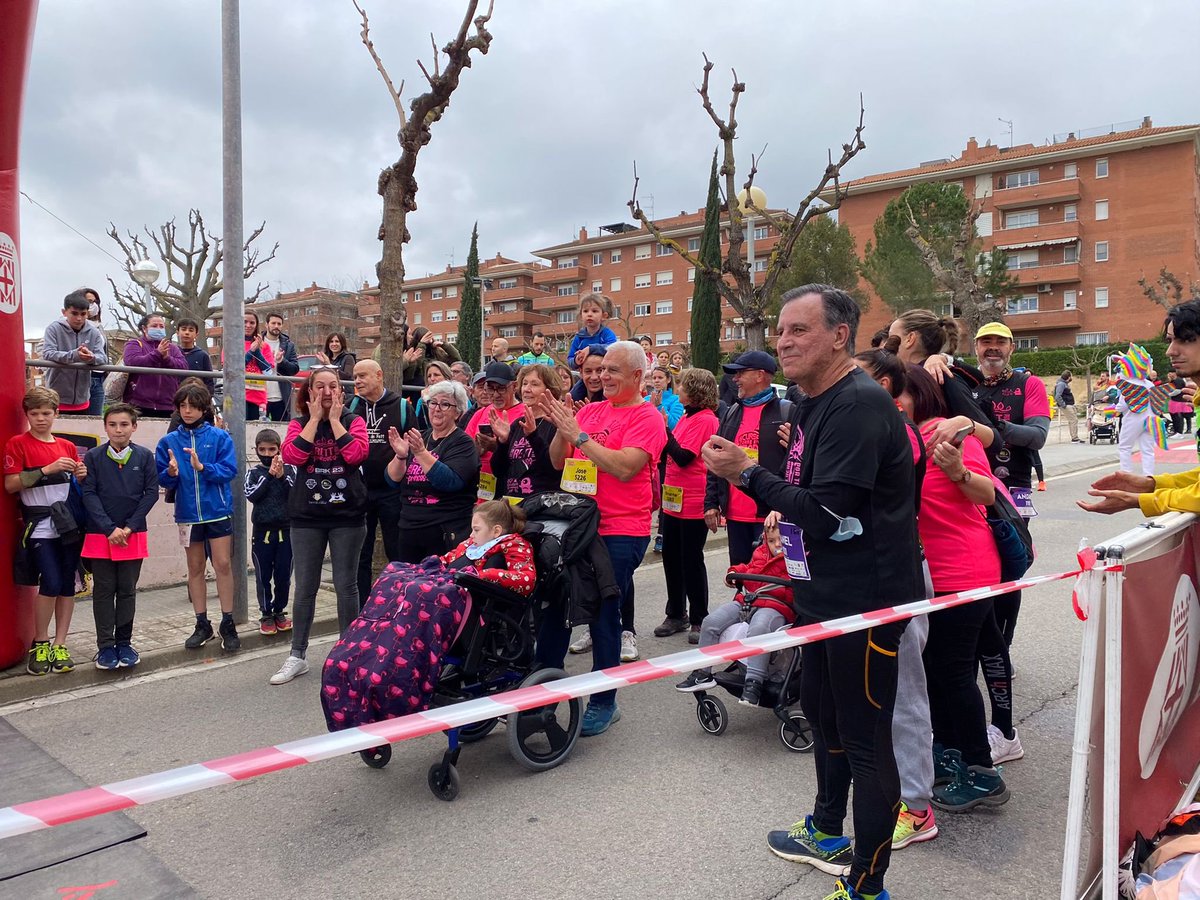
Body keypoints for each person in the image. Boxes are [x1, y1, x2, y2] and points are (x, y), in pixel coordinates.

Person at [703, 284, 922, 900]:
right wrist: (776, 505)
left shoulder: (856, 405)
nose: (782, 342)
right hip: (820, 593)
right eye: (780, 330)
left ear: (840, 336)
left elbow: (826, 512)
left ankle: (867, 884)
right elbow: (813, 500)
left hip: (868, 604)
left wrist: (747, 474)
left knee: (865, 738)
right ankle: (827, 829)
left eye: (799, 330)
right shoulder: (808, 402)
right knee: (822, 713)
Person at [538, 340, 668, 736]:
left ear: (635, 376)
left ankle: (603, 701)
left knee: (602, 614)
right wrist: (564, 429)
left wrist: (579, 436)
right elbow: (559, 462)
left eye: (612, 370)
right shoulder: (591, 410)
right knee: (556, 605)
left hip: (620, 530)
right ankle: (539, 694)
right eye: (598, 370)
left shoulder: (648, 417)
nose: (601, 377)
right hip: (577, 525)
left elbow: (625, 468)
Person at [900, 364, 1011, 814]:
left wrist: (959, 470)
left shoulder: (947, 433)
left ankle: (983, 773)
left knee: (954, 672)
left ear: (919, 396)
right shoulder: (904, 440)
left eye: (900, 395)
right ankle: (948, 755)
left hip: (965, 572)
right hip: (928, 576)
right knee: (933, 671)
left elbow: (988, 494)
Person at [321, 500, 535, 730]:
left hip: (469, 604)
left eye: (476, 530)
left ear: (496, 531)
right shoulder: (471, 545)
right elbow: (445, 561)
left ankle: (396, 657)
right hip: (450, 587)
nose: (471, 535)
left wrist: (483, 574)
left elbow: (526, 580)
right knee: (393, 576)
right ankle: (373, 641)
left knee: (417, 590)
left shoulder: (513, 544)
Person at [272, 368, 369, 686]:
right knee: (305, 589)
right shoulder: (299, 423)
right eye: (320, 386)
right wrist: (314, 421)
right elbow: (292, 456)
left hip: (347, 517)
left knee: (346, 586)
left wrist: (337, 420)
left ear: (341, 392)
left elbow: (356, 455)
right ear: (309, 392)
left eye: (334, 386)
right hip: (306, 518)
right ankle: (297, 655)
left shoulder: (354, 421)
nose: (327, 392)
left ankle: (348, 656)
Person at [969, 321, 1048, 651]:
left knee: (1009, 568)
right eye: (985, 341)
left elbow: (1038, 436)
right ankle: (974, 643)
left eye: (1000, 342)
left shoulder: (1027, 384)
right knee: (974, 566)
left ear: (1011, 348)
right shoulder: (965, 384)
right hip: (970, 486)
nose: (992, 347)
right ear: (975, 348)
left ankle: (1001, 648)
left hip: (1014, 489)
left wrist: (994, 426)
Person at [1082, 299, 1200, 518]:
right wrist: (1152, 484)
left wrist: (1139, 499)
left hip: (1134, 420)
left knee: (1127, 447)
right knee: (1145, 448)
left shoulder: (1130, 386)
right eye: (1170, 340)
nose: (1170, 351)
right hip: (1149, 419)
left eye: (1185, 340)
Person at [4, 387, 88, 675]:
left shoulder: (66, 445)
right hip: (38, 525)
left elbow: (74, 486)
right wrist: (46, 469)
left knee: (67, 585)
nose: (41, 418)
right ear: (27, 415)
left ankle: (60, 643)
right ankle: (40, 642)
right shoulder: (18, 443)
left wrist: (80, 475)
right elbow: (11, 484)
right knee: (50, 583)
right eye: (35, 413)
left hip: (68, 524)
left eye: (46, 413)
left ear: (56, 413)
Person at [156, 382, 241, 651]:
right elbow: (162, 480)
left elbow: (229, 471)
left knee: (223, 565)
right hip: (188, 515)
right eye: (183, 406)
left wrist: (202, 467)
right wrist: (169, 474)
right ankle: (201, 623)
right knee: (194, 569)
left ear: (204, 408)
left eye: (193, 406)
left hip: (217, 513)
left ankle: (228, 621)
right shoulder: (168, 442)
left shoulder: (220, 437)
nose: (187, 411)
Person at [80, 403, 159, 670]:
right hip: (100, 535)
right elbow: (88, 494)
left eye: (124, 424)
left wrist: (129, 527)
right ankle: (105, 647)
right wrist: (108, 529)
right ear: (105, 427)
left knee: (127, 590)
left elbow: (151, 493)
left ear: (134, 427)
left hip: (132, 534)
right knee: (103, 591)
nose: (118, 429)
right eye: (112, 424)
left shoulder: (145, 456)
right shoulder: (93, 457)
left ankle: (124, 643)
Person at [675, 519, 792, 697]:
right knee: (711, 622)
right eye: (771, 540)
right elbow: (750, 568)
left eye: (781, 541)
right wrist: (734, 572)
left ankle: (754, 682)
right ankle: (702, 672)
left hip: (775, 604)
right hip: (749, 599)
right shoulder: (761, 552)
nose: (776, 545)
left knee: (759, 628)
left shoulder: (795, 559)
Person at [703, 350, 792, 565]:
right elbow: (717, 459)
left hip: (771, 517)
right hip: (735, 515)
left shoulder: (787, 411)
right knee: (740, 579)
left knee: (770, 581)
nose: (735, 380)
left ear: (760, 375)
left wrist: (783, 507)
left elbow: (796, 467)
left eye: (740, 373)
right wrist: (711, 503)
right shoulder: (732, 411)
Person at [654, 367, 720, 644]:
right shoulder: (687, 417)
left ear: (695, 391)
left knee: (691, 559)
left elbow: (682, 456)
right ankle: (676, 613)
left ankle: (699, 617)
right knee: (671, 557)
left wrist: (663, 428)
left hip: (692, 500)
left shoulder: (705, 420)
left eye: (682, 386)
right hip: (672, 498)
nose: (677, 390)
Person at [385, 379, 480, 561]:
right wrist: (401, 456)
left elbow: (451, 481)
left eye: (445, 404)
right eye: (433, 403)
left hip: (444, 532)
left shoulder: (463, 443)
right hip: (409, 528)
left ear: (457, 412)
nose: (437, 409)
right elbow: (391, 480)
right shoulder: (422, 437)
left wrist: (420, 452)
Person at [349, 359, 416, 606]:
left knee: (396, 551)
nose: (357, 381)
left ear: (379, 375)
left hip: (391, 491)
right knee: (360, 554)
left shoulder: (401, 406)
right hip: (360, 491)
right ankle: (363, 608)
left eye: (362, 376)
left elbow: (413, 447)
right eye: (355, 376)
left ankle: (400, 604)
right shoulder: (352, 405)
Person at [245, 428, 295, 636]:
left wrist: (281, 477)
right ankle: (266, 613)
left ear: (279, 449)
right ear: (256, 450)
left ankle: (279, 611)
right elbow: (252, 496)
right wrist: (269, 477)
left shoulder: (291, 470)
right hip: (262, 533)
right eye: (262, 449)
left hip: (286, 533)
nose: (266, 454)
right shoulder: (254, 472)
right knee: (263, 576)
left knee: (283, 576)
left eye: (271, 449)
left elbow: (294, 496)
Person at [491, 364, 563, 501]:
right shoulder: (517, 425)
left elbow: (553, 470)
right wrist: (503, 442)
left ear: (549, 390)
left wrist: (533, 436)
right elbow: (498, 471)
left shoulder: (555, 424)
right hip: (512, 503)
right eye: (524, 384)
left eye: (534, 384)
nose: (527, 389)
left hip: (540, 506)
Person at [465, 362, 525, 502]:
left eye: (501, 389)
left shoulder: (525, 413)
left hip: (511, 490)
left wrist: (499, 447)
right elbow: (465, 449)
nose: (496, 394)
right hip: (481, 491)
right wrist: (476, 448)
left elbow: (528, 456)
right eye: (490, 389)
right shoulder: (480, 413)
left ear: (514, 386)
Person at [41, 289, 108, 414]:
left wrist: (91, 357)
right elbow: (48, 353)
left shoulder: (94, 332)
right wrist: (75, 355)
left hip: (83, 398)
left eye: (83, 314)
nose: (79, 318)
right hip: (56, 397)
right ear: (64, 312)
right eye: (74, 313)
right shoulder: (53, 328)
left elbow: (102, 358)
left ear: (87, 314)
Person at [124, 313, 189, 418]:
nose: (158, 329)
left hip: (168, 405)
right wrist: (157, 354)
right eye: (154, 326)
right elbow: (132, 361)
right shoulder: (134, 344)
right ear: (144, 328)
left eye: (161, 326)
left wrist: (167, 359)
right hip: (138, 404)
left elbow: (184, 366)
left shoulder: (172, 348)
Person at [400, 326, 462, 403]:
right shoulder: (411, 353)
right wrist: (422, 345)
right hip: (419, 391)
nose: (429, 342)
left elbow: (456, 360)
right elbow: (417, 368)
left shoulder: (437, 352)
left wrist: (445, 345)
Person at [234, 311, 275, 422]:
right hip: (237, 395)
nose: (248, 325)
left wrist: (257, 351)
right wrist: (251, 351)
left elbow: (268, 372)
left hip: (258, 397)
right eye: (245, 322)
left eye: (252, 323)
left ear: (256, 325)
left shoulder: (264, 346)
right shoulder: (231, 344)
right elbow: (235, 370)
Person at [263, 312, 301, 421]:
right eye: (273, 323)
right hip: (260, 395)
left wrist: (281, 361)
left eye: (279, 324)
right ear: (266, 324)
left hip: (281, 396)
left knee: (281, 431)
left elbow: (294, 369)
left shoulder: (289, 345)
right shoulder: (258, 342)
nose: (276, 326)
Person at [567, 293, 618, 369]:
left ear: (604, 316)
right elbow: (570, 359)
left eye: (594, 311)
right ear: (581, 316)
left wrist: (590, 349)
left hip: (604, 374)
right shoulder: (579, 337)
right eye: (585, 311)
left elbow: (613, 348)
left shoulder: (607, 334)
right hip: (586, 375)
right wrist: (576, 360)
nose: (589, 314)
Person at [83, 288, 108, 416]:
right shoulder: (66, 324)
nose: (92, 305)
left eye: (95, 302)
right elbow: (43, 347)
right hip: (79, 379)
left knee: (94, 422)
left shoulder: (99, 326)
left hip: (97, 379)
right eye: (89, 301)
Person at [175, 317, 215, 394]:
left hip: (196, 398)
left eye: (191, 330)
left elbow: (209, 381)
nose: (187, 333)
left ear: (196, 334)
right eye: (183, 329)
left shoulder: (203, 355)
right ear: (177, 332)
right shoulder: (171, 353)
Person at [414, 360, 453, 430]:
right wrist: (426, 400)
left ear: (447, 377)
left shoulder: (457, 397)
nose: (432, 379)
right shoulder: (421, 400)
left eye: (436, 375)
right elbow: (418, 424)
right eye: (429, 376)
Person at [646, 366, 685, 430]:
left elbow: (674, 426)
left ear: (668, 379)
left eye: (660, 378)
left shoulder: (676, 399)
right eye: (654, 378)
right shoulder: (646, 399)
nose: (656, 381)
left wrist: (659, 406)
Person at [1054, 369, 1082, 443]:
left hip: (1069, 404)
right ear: (1068, 377)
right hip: (1067, 405)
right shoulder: (1061, 384)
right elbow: (1057, 396)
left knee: (1072, 420)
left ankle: (1074, 436)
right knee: (1073, 420)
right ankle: (1074, 438)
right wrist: (1063, 405)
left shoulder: (1062, 384)